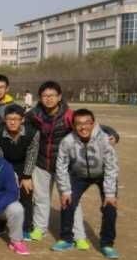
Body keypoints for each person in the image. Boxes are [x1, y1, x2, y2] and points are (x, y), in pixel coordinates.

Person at [25, 81, 119, 245]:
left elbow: (92, 126)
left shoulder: (69, 115)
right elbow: (19, 123)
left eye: (52, 95)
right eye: (45, 96)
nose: (48, 99)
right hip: (42, 163)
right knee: (41, 198)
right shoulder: (34, 114)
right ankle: (40, 228)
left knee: (70, 201)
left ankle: (78, 235)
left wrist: (113, 134)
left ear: (59, 97)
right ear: (40, 97)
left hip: (65, 166)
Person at [54, 109, 120, 259]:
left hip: (103, 175)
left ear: (93, 123)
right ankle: (66, 238)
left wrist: (110, 194)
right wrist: (65, 190)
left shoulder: (105, 139)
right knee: (67, 201)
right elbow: (61, 166)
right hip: (79, 175)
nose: (83, 127)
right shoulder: (67, 141)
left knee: (110, 206)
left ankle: (107, 243)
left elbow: (111, 167)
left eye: (87, 123)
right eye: (78, 124)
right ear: (73, 125)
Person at [0, 104, 39, 240]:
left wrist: (26, 176)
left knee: (26, 192)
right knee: (1, 192)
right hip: (5, 164)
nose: (12, 122)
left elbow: (32, 155)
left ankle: (26, 227)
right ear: (4, 119)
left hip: (24, 165)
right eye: (9, 119)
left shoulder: (32, 133)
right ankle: (0, 223)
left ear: (22, 120)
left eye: (16, 119)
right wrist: (7, 176)